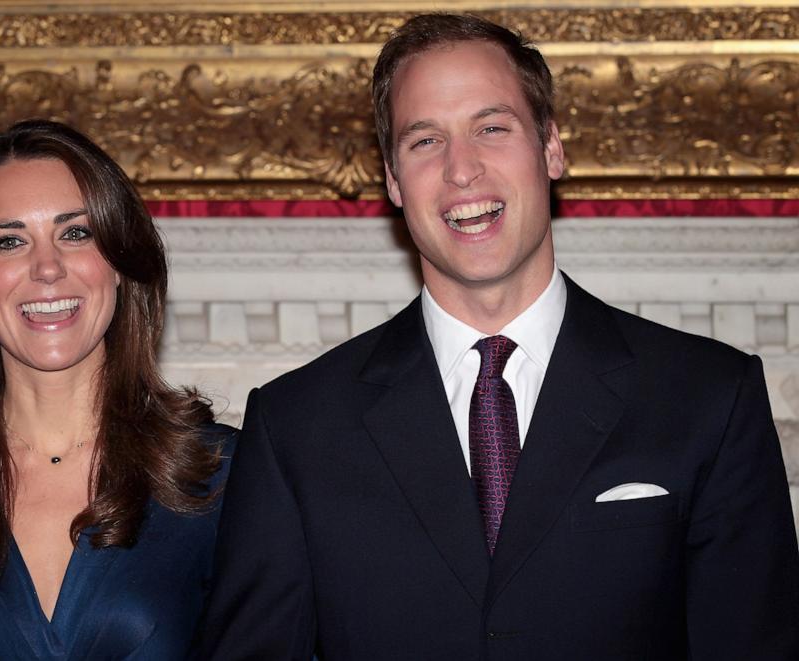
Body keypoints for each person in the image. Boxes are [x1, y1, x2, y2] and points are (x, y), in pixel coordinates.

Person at [195, 13, 799, 660]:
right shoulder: (295, 428)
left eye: (491, 127)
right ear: (394, 181)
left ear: (552, 148)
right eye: (425, 141)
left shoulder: (709, 398)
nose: (462, 168)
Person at [0, 120, 234, 660]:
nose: (47, 268)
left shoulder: (224, 478)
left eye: (75, 233)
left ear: (119, 263)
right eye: (9, 241)